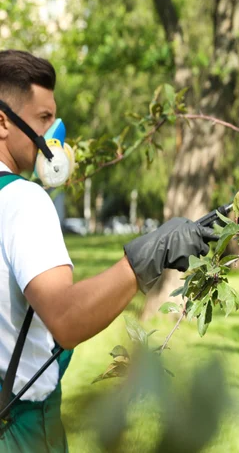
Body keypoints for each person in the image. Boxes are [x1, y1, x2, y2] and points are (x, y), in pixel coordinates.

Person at [0, 49, 213, 452]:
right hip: (20, 430)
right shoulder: (23, 201)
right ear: (3, 123)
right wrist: (147, 257)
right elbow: (65, 318)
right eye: (44, 119)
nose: (56, 133)